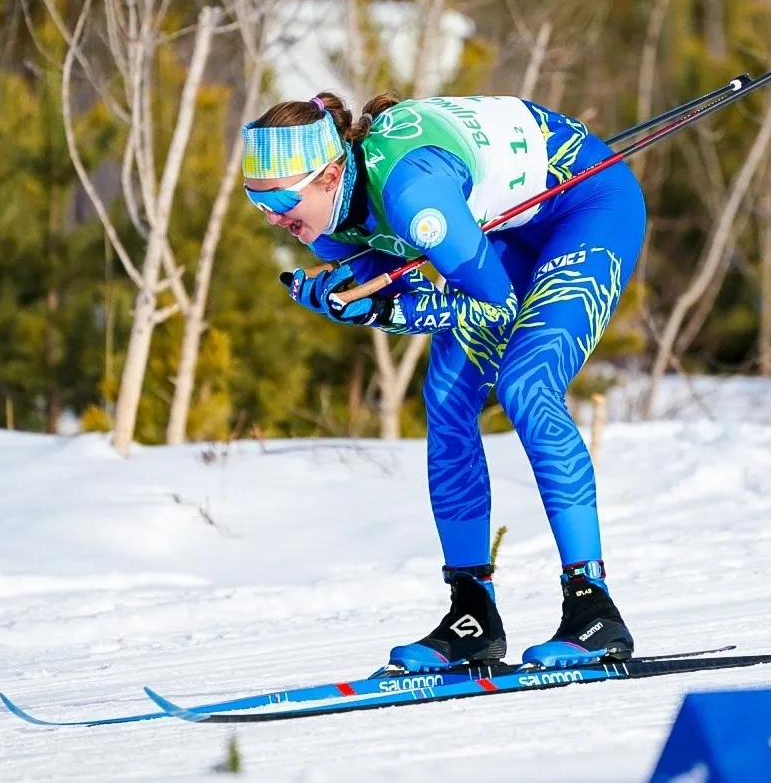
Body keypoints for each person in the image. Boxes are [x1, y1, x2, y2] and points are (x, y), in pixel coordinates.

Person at [241, 91, 646, 671]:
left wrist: (383, 311)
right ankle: (471, 615)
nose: (275, 219)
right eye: (259, 204)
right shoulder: (329, 221)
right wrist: (347, 298)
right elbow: (396, 286)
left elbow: (494, 307)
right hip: (504, 230)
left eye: (281, 199)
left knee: (526, 384)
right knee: (448, 400)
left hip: (587, 207)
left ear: (330, 175)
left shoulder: (411, 195)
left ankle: (593, 609)